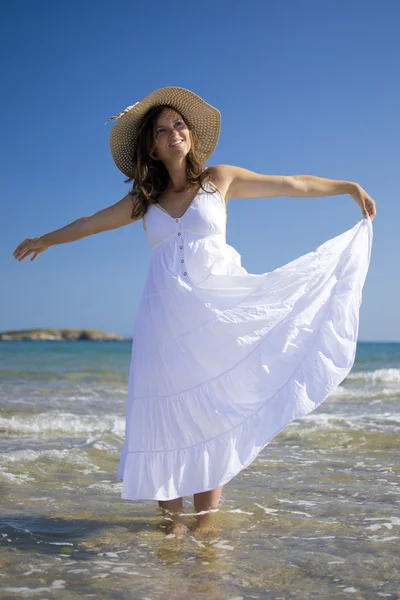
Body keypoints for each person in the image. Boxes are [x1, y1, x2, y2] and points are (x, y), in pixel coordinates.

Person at [13, 86, 376, 538]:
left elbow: (290, 185)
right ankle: (171, 531)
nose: (173, 133)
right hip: (164, 323)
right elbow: (90, 223)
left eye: (178, 125)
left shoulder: (219, 180)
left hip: (216, 315)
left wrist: (347, 187)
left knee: (213, 412)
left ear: (190, 134)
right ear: (151, 145)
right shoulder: (145, 200)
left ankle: (205, 531)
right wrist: (44, 239)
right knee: (164, 418)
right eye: (162, 130)